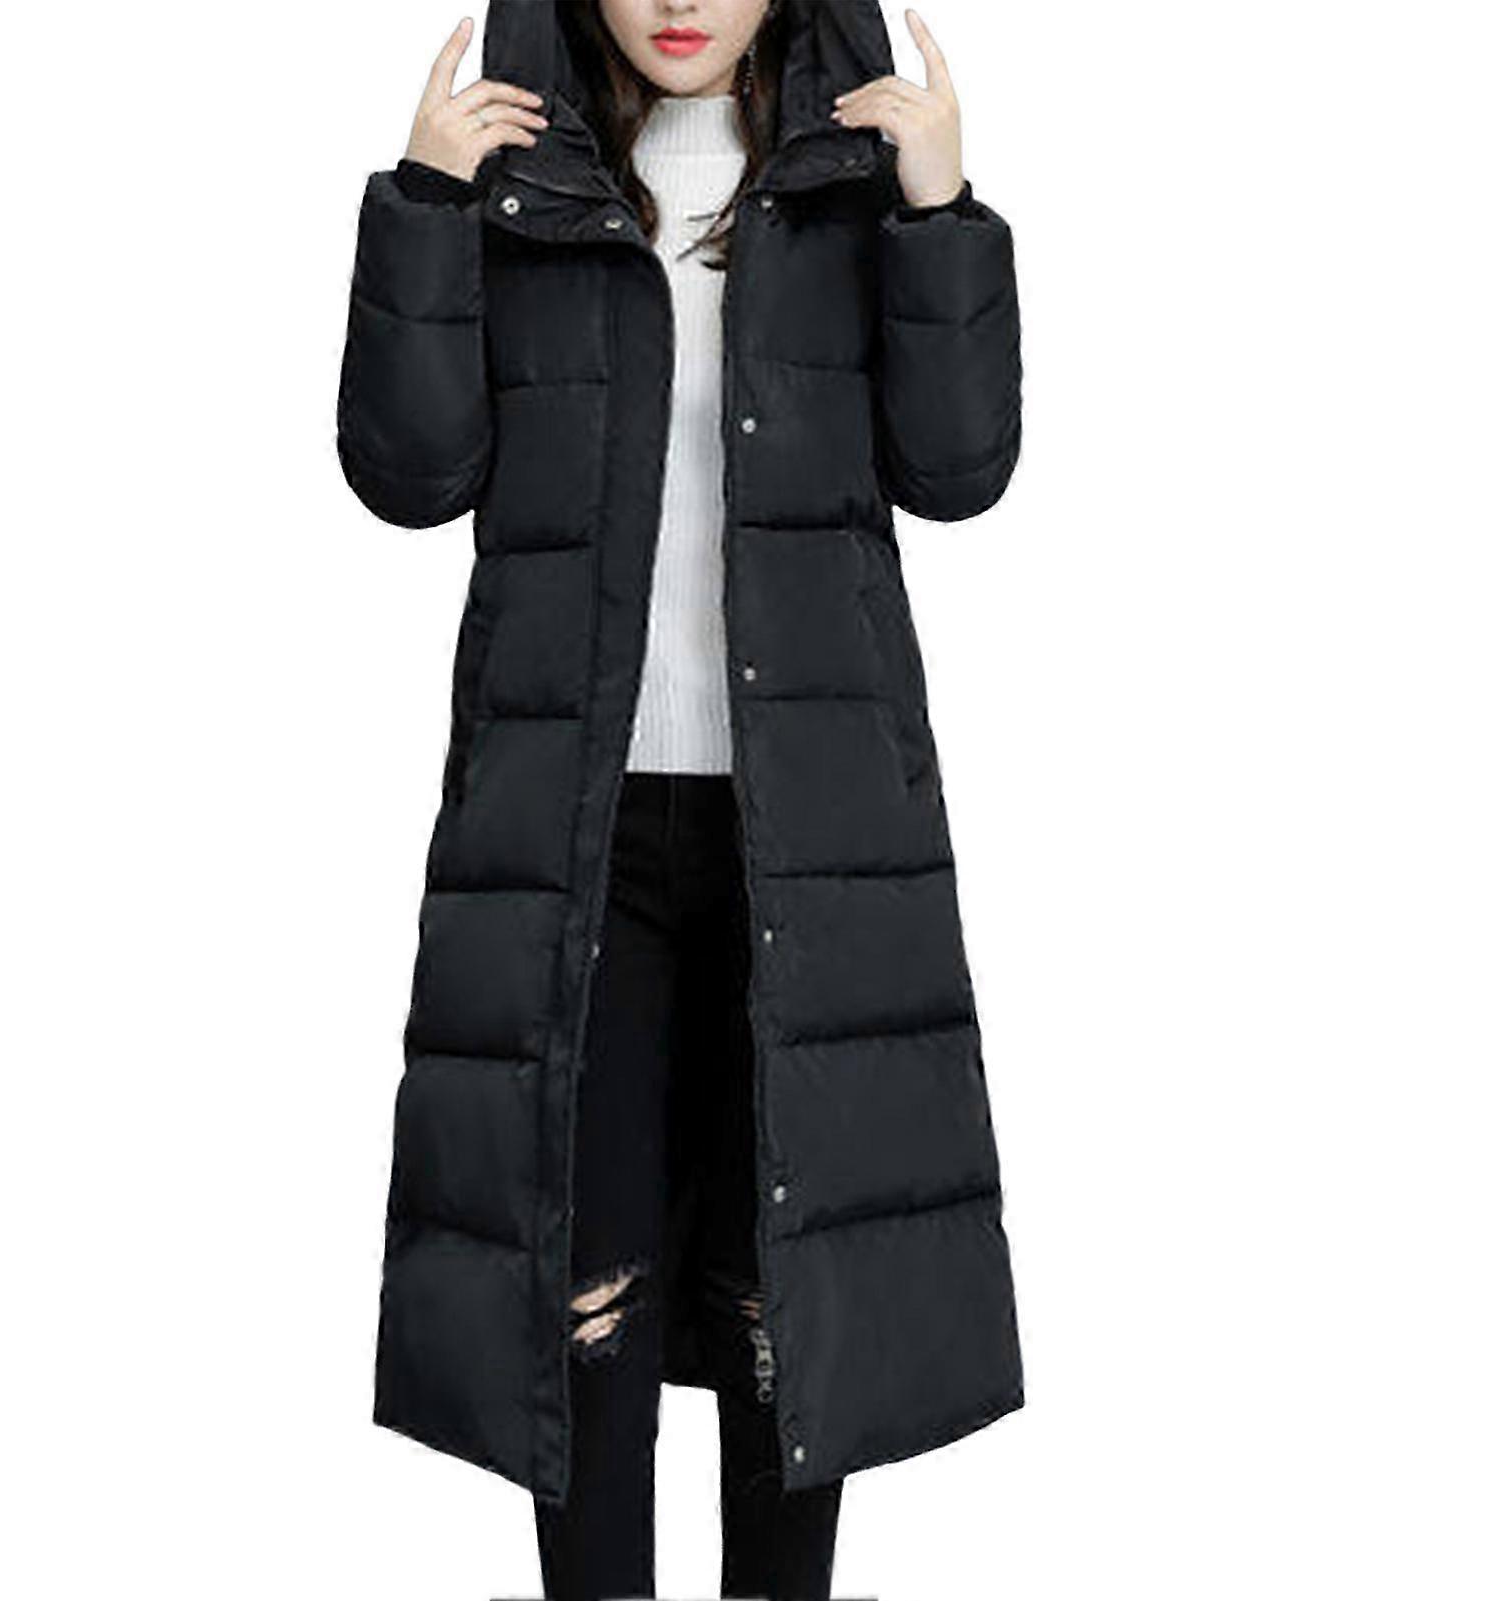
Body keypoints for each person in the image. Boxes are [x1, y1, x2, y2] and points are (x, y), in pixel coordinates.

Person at [336, 3, 1025, 1598]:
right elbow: (409, 475)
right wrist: (424, 206)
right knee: (582, 1291)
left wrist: (940, 212)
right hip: (573, 829)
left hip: (811, 830)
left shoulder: (851, 184)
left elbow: (957, 467)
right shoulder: (520, 186)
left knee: (789, 1293)